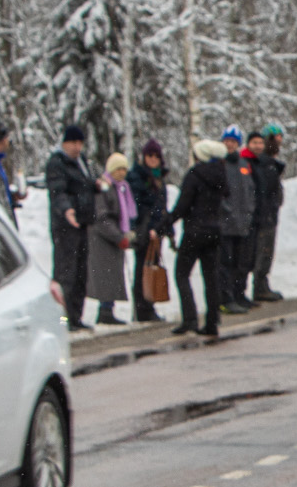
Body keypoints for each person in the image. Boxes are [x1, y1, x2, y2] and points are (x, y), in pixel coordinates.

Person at [167, 138, 230, 337]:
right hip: (214, 231)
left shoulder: (194, 175)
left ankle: (190, 319)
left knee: (182, 273)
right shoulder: (221, 175)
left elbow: (182, 206)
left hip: (195, 231)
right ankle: (212, 321)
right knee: (211, 277)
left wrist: (163, 225)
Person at [45, 124, 97, 331]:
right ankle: (63, 322)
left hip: (82, 223)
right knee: (66, 274)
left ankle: (76, 317)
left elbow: (84, 186)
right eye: (73, 143)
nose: (77, 147)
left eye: (80, 143)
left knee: (81, 274)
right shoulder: (57, 163)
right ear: (64, 143)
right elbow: (58, 191)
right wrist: (67, 210)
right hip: (65, 226)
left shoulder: (81, 162)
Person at [89, 152, 135, 324]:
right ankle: (105, 310)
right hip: (104, 239)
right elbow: (101, 216)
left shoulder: (122, 188)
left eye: (124, 169)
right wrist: (117, 236)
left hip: (115, 237)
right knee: (106, 276)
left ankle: (108, 309)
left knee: (113, 275)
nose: (122, 173)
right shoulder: (105, 186)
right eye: (118, 169)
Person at [128, 140, 170, 322]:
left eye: (156, 156)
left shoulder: (159, 177)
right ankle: (142, 309)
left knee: (151, 268)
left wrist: (164, 227)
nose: (153, 159)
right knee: (142, 270)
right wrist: (148, 226)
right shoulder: (138, 177)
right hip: (144, 229)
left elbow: (162, 205)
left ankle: (148, 306)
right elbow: (138, 205)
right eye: (149, 156)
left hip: (156, 229)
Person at [218, 127, 257, 314]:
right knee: (225, 263)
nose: (229, 144)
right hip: (226, 223)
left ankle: (239, 293)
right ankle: (226, 297)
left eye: (233, 141)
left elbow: (250, 190)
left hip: (243, 222)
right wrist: (228, 211)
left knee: (242, 262)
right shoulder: (219, 163)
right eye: (227, 141)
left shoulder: (243, 164)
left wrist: (249, 210)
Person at [250, 126, 286, 301]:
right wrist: (267, 211)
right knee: (263, 251)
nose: (279, 141)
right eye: (276, 138)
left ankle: (262, 283)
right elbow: (264, 192)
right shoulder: (264, 164)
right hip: (265, 216)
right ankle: (259, 286)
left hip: (269, 214)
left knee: (267, 251)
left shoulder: (270, 164)